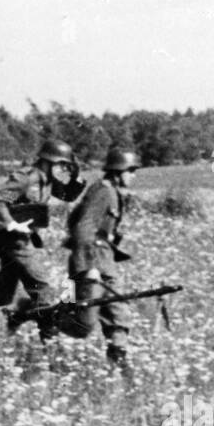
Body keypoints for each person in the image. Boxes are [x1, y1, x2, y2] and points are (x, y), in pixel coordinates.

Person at [0, 138, 84, 337]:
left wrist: (77, 176)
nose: (64, 169)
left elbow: (67, 195)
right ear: (47, 161)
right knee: (42, 288)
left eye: (67, 166)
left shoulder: (46, 180)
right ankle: (50, 339)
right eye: (61, 165)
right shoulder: (26, 178)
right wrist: (12, 224)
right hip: (13, 241)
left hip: (23, 240)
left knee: (2, 294)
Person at [57, 148, 140, 363]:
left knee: (119, 315)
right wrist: (89, 267)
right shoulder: (102, 192)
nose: (134, 175)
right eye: (131, 171)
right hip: (91, 265)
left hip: (106, 264)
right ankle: (48, 316)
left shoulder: (114, 192)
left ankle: (119, 365)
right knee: (83, 325)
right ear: (118, 171)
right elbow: (82, 228)